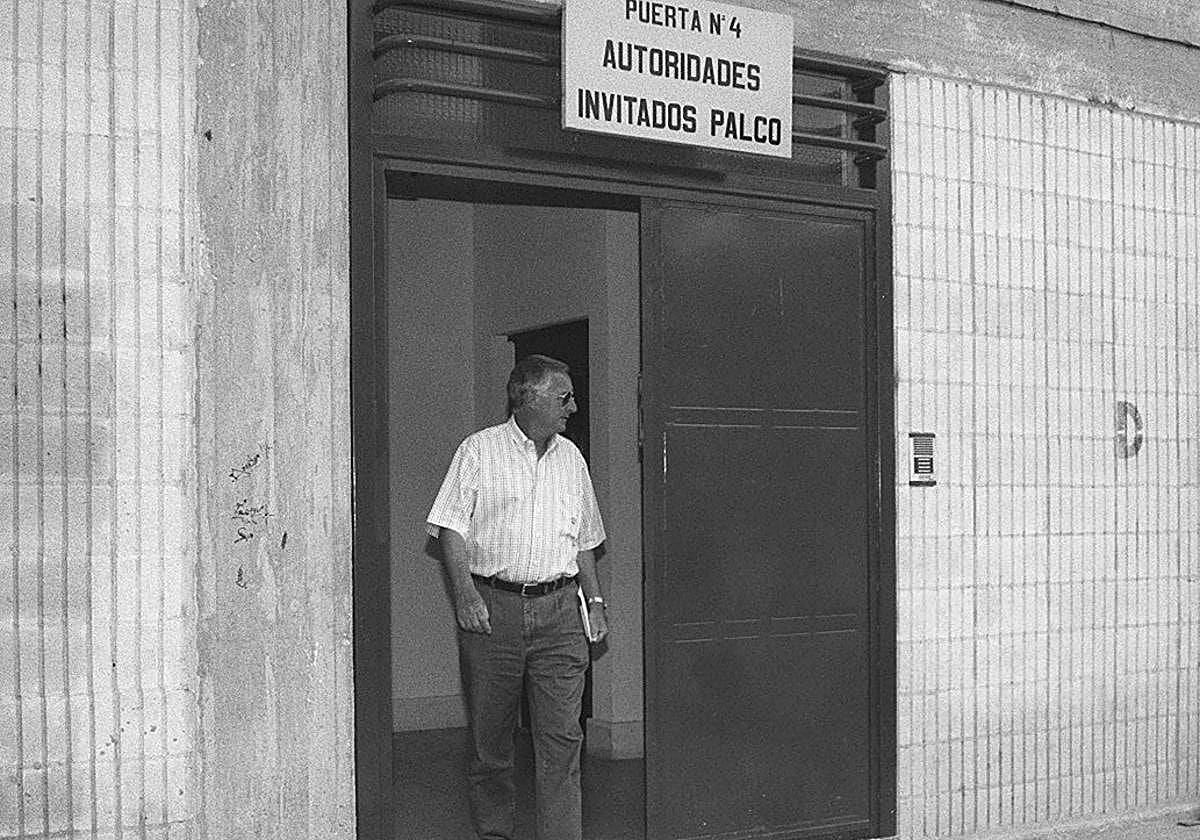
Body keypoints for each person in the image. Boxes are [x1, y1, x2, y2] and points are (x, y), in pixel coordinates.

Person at [426, 354, 609, 840]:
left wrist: (596, 603)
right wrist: (465, 595)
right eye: (563, 396)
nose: (573, 406)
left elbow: (585, 541)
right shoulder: (478, 452)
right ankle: (495, 834)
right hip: (494, 613)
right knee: (492, 749)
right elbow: (449, 530)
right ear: (528, 397)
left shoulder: (572, 459)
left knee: (563, 743)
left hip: (560, 616)